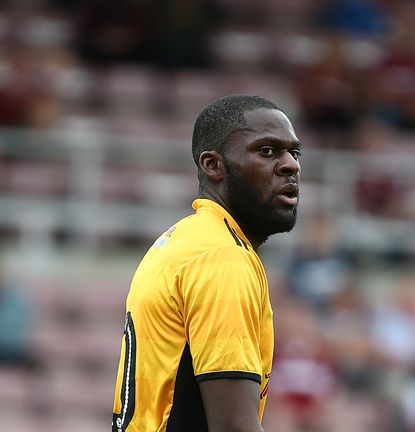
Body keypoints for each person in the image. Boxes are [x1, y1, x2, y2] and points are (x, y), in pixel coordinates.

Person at [111, 94, 302, 432]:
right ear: (213, 165)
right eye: (267, 151)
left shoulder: (186, 240)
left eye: (293, 152)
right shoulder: (221, 256)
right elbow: (233, 426)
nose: (291, 165)